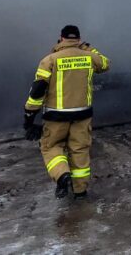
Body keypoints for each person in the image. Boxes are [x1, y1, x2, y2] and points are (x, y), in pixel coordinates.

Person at [23, 25, 109, 199]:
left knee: (51, 147)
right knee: (79, 150)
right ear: (78, 39)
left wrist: (29, 115)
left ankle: (62, 175)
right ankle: (80, 190)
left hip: (56, 116)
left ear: (61, 38)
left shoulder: (49, 60)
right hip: (82, 115)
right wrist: (87, 48)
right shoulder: (89, 57)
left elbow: (38, 90)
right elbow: (105, 63)